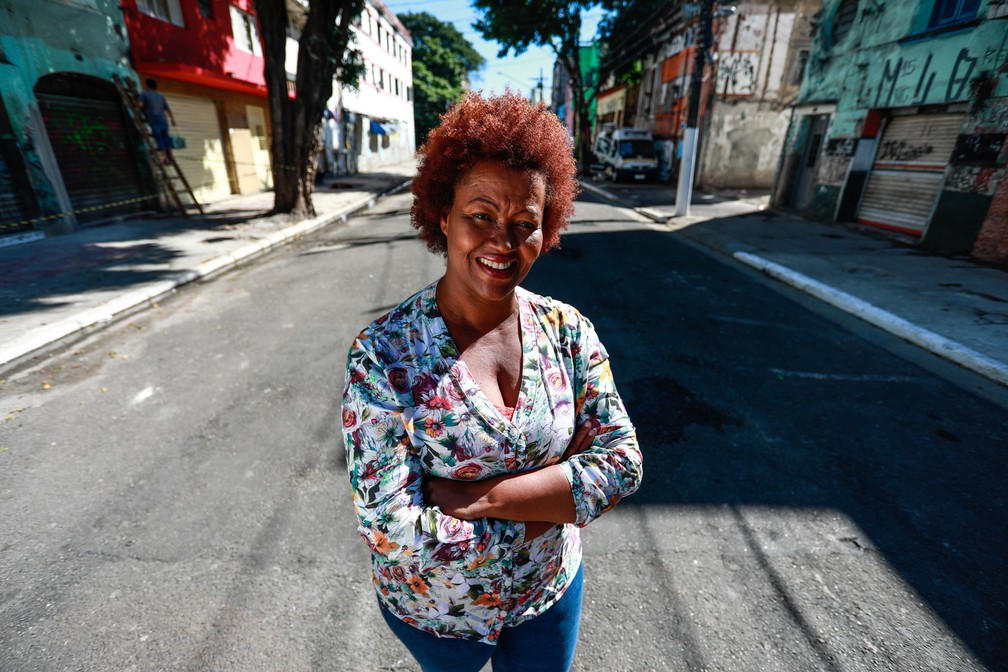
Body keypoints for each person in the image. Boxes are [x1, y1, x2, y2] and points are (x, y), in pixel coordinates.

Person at [341, 91, 643, 672]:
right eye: (481, 215)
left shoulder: (568, 331)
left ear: (546, 229)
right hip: (437, 615)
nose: (503, 242)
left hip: (547, 596)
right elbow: (388, 525)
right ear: (442, 215)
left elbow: (622, 461)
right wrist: (552, 499)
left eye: (525, 224)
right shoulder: (382, 355)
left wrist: (482, 499)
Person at [137, 78, 176, 164]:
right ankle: (171, 156)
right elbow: (168, 109)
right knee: (166, 137)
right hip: (163, 120)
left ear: (147, 86)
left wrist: (136, 104)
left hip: (154, 120)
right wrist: (172, 119)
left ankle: (165, 158)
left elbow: (140, 105)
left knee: (159, 139)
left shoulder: (144, 94)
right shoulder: (160, 96)